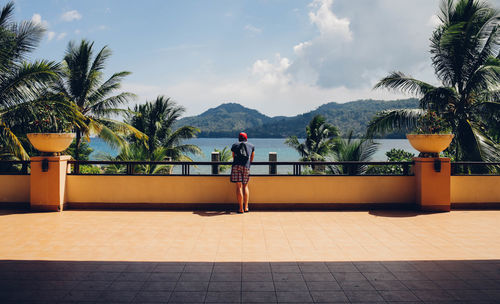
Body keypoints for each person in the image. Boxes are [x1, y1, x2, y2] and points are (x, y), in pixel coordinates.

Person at [230, 132, 255, 213]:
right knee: (245, 186)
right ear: (246, 138)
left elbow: (233, 156)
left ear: (239, 138)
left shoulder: (234, 145)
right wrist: (248, 164)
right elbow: (251, 158)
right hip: (246, 167)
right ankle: (246, 207)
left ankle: (241, 209)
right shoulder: (251, 146)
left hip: (236, 166)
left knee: (239, 187)